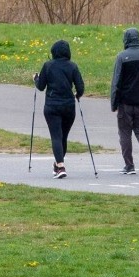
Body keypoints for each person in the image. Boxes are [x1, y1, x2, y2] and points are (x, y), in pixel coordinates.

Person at [34, 40, 85, 179]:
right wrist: (77, 95)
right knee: (64, 137)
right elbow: (80, 87)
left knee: (56, 136)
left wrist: (36, 78)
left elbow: (40, 86)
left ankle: (61, 166)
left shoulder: (48, 66)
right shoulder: (72, 66)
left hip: (52, 106)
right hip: (69, 106)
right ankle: (57, 164)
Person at [110, 27, 139, 175]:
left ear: (126, 40)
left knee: (125, 133)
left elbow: (116, 82)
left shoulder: (122, 57)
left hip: (126, 103)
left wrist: (114, 103)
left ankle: (129, 166)